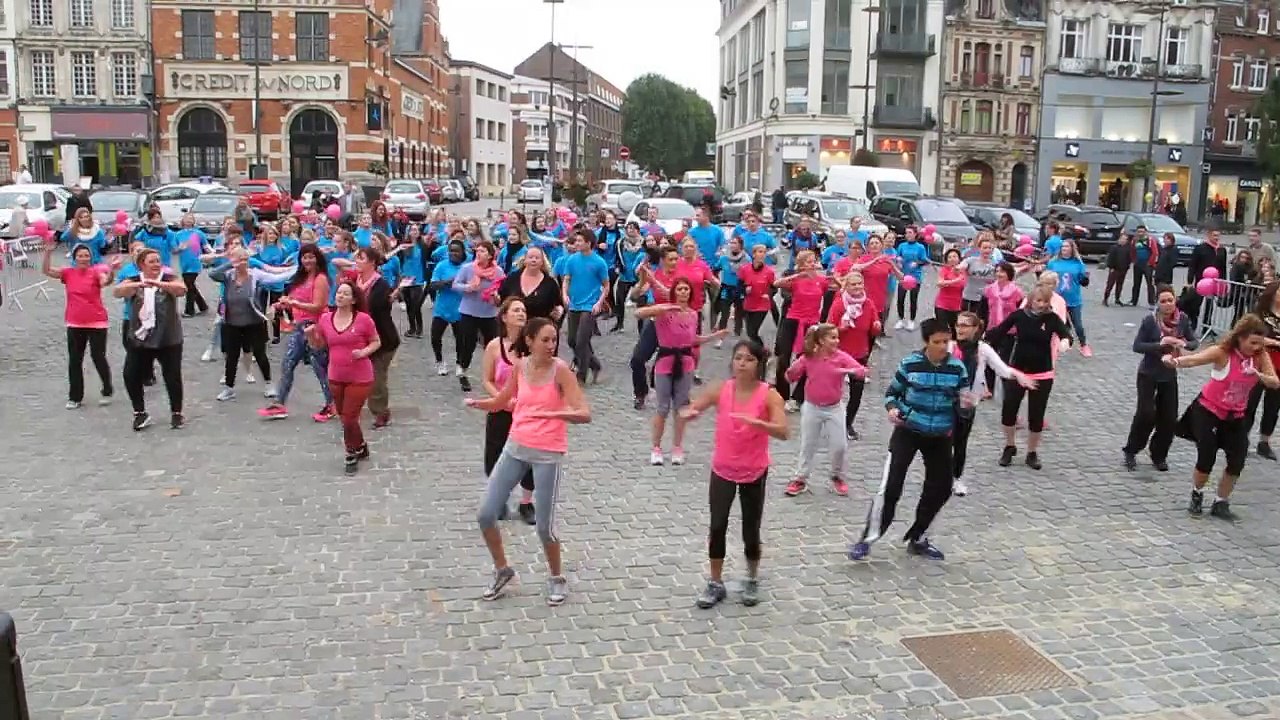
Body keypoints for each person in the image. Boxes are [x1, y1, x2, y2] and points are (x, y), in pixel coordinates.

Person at [467, 317, 592, 606]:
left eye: (554, 340)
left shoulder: (561, 371)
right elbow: (502, 401)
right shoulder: (520, 367)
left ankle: (557, 578)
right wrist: (480, 404)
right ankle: (503, 570)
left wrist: (556, 414)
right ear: (529, 341)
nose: (551, 345)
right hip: (515, 447)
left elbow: (584, 413)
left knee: (544, 527)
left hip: (548, 453)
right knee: (486, 514)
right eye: (545, 340)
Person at [849, 318, 970, 562]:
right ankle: (867, 539)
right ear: (926, 342)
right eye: (937, 342)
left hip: (940, 435)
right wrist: (894, 409)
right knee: (890, 487)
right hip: (908, 431)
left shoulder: (957, 368)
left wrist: (966, 405)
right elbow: (892, 394)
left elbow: (963, 403)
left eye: (946, 341)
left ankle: (919, 537)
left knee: (941, 488)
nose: (943, 347)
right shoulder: (910, 364)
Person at [680, 339, 788, 608]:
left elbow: (783, 431)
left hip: (754, 470)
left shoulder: (769, 395)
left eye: (749, 359)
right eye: (738, 358)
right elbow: (696, 406)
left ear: (759, 364)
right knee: (717, 526)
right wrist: (689, 412)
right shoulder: (721, 389)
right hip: (723, 468)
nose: (742, 363)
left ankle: (751, 577)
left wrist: (758, 423)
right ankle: (715, 582)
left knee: (751, 528)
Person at [1169, 315, 1280, 520]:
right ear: (1240, 338)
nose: (1256, 347)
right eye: (1252, 342)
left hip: (1236, 415)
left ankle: (1221, 501)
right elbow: (1194, 359)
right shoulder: (1222, 353)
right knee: (1207, 457)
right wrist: (1174, 361)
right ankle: (1197, 493)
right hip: (1208, 411)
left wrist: (1259, 375)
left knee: (1237, 460)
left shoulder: (1260, 356)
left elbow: (1275, 382)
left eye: (1259, 343)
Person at [635, 278, 728, 465]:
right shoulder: (664, 311)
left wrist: (714, 336)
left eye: (686, 289)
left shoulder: (693, 315)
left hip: (685, 362)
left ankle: (677, 447)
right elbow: (639, 313)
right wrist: (662, 308)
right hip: (665, 362)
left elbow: (692, 339)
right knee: (662, 408)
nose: (683, 292)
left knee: (681, 407)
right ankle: (656, 447)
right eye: (680, 289)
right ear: (674, 292)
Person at [985, 285, 1074, 470]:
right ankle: (1010, 446)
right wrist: (982, 338)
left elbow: (1065, 333)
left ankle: (1032, 452)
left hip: (1042, 373)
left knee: (1036, 414)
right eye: (1038, 301)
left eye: (1045, 301)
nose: (1041, 305)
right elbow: (999, 331)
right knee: (1009, 411)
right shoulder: (1019, 316)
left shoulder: (1051, 318)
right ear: (1031, 300)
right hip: (1018, 372)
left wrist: (1065, 342)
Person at [949, 311, 1036, 496]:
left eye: (964, 325)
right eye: (958, 324)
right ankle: (940, 478)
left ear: (975, 329)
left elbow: (1001, 369)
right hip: (945, 401)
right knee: (943, 443)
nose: (960, 329)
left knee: (960, 443)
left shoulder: (982, 349)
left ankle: (957, 479)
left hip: (967, 403)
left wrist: (1018, 375)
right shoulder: (949, 347)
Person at [305, 280, 381, 473]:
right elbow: (319, 346)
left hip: (360, 376)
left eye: (346, 294)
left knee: (349, 417)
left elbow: (376, 342)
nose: (340, 296)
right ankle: (361, 445)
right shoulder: (325, 319)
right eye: (339, 293)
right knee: (345, 417)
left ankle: (350, 452)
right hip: (336, 375)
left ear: (353, 300)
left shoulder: (363, 319)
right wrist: (310, 335)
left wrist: (363, 352)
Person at [783, 324, 866, 497]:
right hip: (812, 407)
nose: (837, 341)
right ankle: (800, 478)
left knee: (840, 446)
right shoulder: (809, 357)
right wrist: (791, 372)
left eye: (837, 337)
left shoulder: (841, 357)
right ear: (821, 340)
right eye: (832, 338)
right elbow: (790, 376)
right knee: (808, 444)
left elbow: (860, 370)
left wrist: (855, 371)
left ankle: (837, 476)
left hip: (834, 408)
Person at [1123, 284, 1197, 471]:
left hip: (1169, 375)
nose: (1167, 304)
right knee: (1146, 414)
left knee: (1169, 418)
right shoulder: (1150, 321)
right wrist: (1159, 346)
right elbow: (1138, 346)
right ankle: (1131, 449)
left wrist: (1183, 343)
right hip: (1148, 374)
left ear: (1175, 300)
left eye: (1170, 300)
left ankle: (1159, 454)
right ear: (1157, 303)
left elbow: (1194, 342)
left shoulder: (1182, 319)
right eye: (1163, 301)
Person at [113, 248, 187, 431]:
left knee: (172, 376)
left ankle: (176, 413)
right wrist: (139, 285)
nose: (156, 264)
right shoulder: (134, 280)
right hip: (141, 337)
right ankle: (139, 412)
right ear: (141, 264)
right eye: (151, 261)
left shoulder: (168, 278)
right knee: (130, 374)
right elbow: (117, 291)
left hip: (168, 337)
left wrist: (159, 284)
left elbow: (181, 289)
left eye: (158, 261)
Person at [208, 248, 296, 401]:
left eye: (245, 259)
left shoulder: (255, 275)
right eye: (239, 259)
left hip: (254, 322)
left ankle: (269, 384)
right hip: (231, 323)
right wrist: (230, 263)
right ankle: (229, 388)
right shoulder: (228, 275)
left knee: (260, 354)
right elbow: (213, 274)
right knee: (232, 356)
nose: (242, 262)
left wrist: (297, 269)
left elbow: (277, 278)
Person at [259, 245, 334, 422]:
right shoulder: (300, 278)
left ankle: (332, 404)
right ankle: (279, 404)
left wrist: (294, 304)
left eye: (311, 257)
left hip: (314, 327)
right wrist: (282, 304)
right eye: (304, 257)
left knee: (319, 367)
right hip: (300, 326)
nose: (307, 261)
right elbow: (296, 300)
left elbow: (318, 306)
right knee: (288, 363)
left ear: (318, 258)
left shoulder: (321, 279)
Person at [41, 239, 119, 409]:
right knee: (75, 360)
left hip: (96, 321)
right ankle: (75, 396)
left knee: (98, 357)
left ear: (90, 257)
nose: (83, 258)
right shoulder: (68, 273)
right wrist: (47, 252)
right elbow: (46, 270)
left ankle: (107, 389)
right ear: (74, 258)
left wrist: (112, 270)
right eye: (80, 256)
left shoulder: (96, 272)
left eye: (86, 256)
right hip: (75, 322)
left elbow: (105, 282)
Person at [481, 298, 538, 524]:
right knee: (495, 456)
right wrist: (501, 399)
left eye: (523, 310)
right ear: (504, 317)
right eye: (516, 310)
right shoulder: (494, 347)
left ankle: (526, 502)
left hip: (527, 412)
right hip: (501, 409)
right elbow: (487, 379)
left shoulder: (533, 346)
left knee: (530, 457)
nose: (521, 313)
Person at [773, 249, 828, 413]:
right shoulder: (796, 279)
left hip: (811, 324)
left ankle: (797, 397)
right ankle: (782, 395)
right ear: (801, 264)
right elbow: (776, 284)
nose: (812, 264)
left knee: (809, 360)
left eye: (814, 261)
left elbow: (838, 287)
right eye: (808, 262)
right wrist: (798, 274)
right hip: (792, 321)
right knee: (783, 358)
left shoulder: (821, 280)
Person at [827, 271, 881, 441]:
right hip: (838, 354)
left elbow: (873, 328)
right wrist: (840, 329)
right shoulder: (839, 305)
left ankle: (847, 424)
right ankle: (831, 422)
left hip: (860, 354)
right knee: (833, 393)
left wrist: (877, 327)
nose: (857, 287)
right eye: (853, 284)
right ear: (846, 286)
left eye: (859, 283)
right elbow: (828, 331)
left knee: (856, 393)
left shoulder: (868, 304)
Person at [353, 245, 401, 428]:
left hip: (383, 339)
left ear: (372, 262)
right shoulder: (357, 281)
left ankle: (381, 412)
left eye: (362, 258)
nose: (357, 261)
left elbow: (375, 310)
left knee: (376, 378)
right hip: (363, 338)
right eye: (357, 258)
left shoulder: (380, 285)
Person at [561, 227, 611, 383]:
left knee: (581, 341)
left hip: (590, 305)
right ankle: (594, 364)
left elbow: (606, 285)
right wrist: (564, 294)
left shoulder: (599, 262)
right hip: (574, 303)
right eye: (576, 241)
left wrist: (599, 303)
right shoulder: (572, 260)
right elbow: (566, 279)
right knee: (572, 340)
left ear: (589, 243)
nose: (576, 243)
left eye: (579, 241)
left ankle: (581, 375)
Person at [453, 240, 504, 392]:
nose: (478, 253)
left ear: (490, 255)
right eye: (477, 251)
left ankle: (493, 374)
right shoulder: (468, 268)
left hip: (489, 313)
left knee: (491, 344)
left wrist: (497, 297)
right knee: (468, 343)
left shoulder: (498, 271)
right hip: (469, 311)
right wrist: (468, 287)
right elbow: (455, 284)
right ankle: (463, 369)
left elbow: (503, 289)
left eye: (482, 251)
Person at [1247, 280, 1280, 460]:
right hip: (1260, 361)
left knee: (1273, 406)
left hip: (1279, 366)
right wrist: (1274, 342)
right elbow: (1253, 336)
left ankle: (1264, 442)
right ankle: (1242, 438)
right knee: (1250, 402)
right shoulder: (1260, 313)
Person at [1046, 239, 1093, 357]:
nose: (1064, 248)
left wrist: (1085, 279)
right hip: (1057, 299)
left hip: (1073, 299)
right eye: (1062, 246)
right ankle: (1064, 341)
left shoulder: (1078, 264)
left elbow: (1083, 282)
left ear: (1072, 249)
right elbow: (1046, 278)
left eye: (1066, 246)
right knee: (1059, 323)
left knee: (1078, 324)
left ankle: (1083, 345)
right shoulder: (1053, 263)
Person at [430, 239, 469, 380]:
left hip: (460, 309)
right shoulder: (441, 266)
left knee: (460, 339)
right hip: (441, 308)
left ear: (462, 252)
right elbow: (433, 285)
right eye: (451, 251)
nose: (453, 254)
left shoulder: (467, 268)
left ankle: (459, 363)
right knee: (435, 337)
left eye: (456, 251)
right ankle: (440, 362)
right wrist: (448, 282)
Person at [736, 243, 777, 347]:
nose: (762, 254)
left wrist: (769, 294)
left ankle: (762, 351)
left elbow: (774, 287)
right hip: (748, 304)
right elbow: (739, 287)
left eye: (764, 252)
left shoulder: (769, 272)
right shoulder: (744, 269)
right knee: (750, 332)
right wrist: (745, 290)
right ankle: (758, 351)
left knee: (752, 332)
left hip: (762, 305)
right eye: (760, 252)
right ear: (753, 254)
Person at [933, 248, 964, 335]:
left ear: (959, 259)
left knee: (955, 332)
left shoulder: (964, 271)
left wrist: (948, 282)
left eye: (954, 256)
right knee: (943, 331)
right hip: (942, 304)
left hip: (956, 306)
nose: (952, 259)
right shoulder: (945, 269)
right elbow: (940, 283)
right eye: (949, 257)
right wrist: (957, 280)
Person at [1103, 233, 1133, 306]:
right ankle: (1105, 299)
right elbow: (1110, 258)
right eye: (1122, 239)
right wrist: (1111, 267)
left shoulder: (1127, 248)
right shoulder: (1114, 247)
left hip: (1123, 269)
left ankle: (1117, 299)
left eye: (1125, 239)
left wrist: (1127, 267)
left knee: (1120, 284)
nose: (1123, 240)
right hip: (1114, 269)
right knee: (1110, 284)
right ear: (1119, 239)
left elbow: (1129, 258)